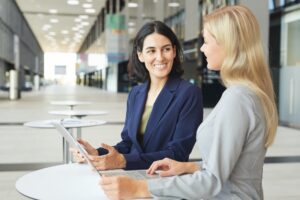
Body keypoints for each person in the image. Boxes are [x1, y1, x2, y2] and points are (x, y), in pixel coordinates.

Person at [99, 5, 278, 200]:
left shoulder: (237, 98)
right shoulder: (245, 94)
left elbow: (211, 182)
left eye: (206, 41)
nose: (202, 48)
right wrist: (190, 167)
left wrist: (140, 188)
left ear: (228, 44)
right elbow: (234, 169)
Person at [74, 21, 203, 170]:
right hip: (133, 174)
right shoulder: (136, 93)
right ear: (140, 55)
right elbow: (128, 143)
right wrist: (98, 153)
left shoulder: (188, 93)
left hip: (165, 180)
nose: (160, 57)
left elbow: (178, 153)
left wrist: (124, 161)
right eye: (151, 51)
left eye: (166, 49)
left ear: (174, 51)